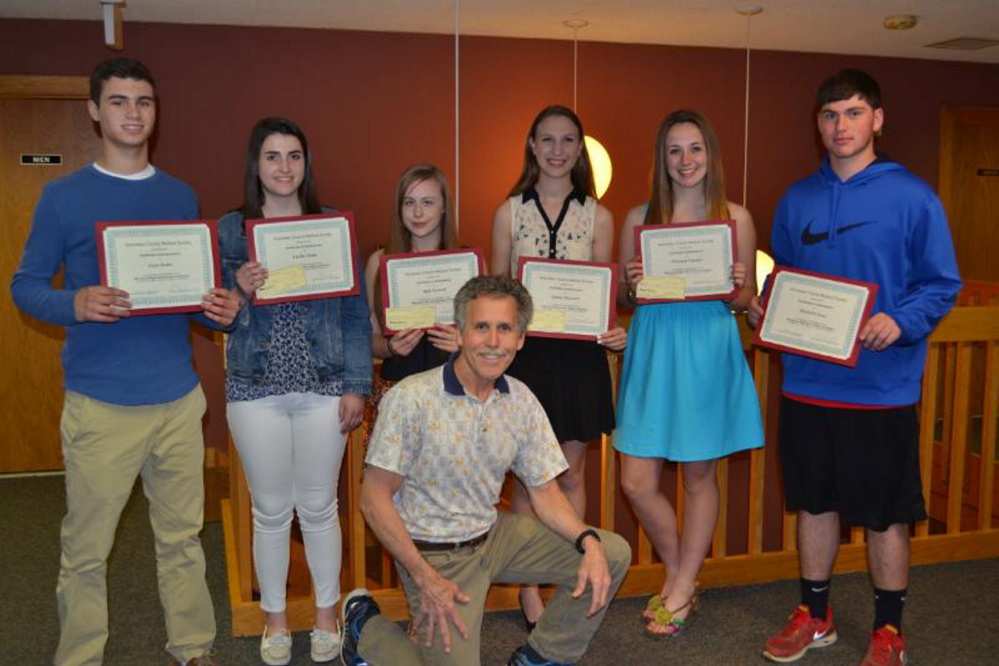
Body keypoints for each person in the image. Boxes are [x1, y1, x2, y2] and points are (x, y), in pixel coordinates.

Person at [10, 58, 239, 666]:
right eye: (118, 101)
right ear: (95, 111)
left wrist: (215, 305)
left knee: (182, 540)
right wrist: (75, 302)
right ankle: (80, 656)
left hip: (176, 400)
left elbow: (187, 301)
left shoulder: (179, 195)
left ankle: (192, 647)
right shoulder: (63, 197)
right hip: (101, 406)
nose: (133, 112)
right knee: (86, 550)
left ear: (154, 112)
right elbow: (24, 286)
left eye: (143, 101)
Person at [749, 69, 961, 665]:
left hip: (881, 388)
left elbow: (940, 283)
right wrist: (768, 308)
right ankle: (815, 616)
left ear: (878, 118)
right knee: (812, 505)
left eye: (853, 112)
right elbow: (786, 279)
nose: (841, 126)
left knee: (885, 514)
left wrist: (902, 321)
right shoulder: (798, 199)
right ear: (817, 124)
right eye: (830, 115)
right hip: (809, 384)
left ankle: (889, 631)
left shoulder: (915, 197)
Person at [339, 275, 631, 666]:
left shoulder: (521, 400)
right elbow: (373, 499)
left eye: (505, 328)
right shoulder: (412, 398)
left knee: (611, 552)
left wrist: (587, 541)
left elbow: (545, 494)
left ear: (520, 338)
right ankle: (365, 630)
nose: (493, 341)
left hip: (493, 536)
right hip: (432, 555)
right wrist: (424, 578)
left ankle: (541, 658)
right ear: (459, 333)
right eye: (481, 327)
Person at [218, 117, 372, 665]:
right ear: (255, 165)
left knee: (319, 506)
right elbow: (212, 316)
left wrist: (358, 384)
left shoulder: (333, 227)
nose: (284, 167)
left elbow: (356, 314)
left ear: (306, 165)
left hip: (325, 385)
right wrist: (238, 288)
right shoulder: (231, 230)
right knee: (270, 510)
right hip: (255, 388)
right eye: (272, 156)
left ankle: (326, 615)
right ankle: (276, 620)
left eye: (294, 156)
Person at [614, 109, 764, 638]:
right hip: (654, 347)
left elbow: (742, 302)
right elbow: (625, 299)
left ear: (710, 154)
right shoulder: (638, 218)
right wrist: (631, 283)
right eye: (675, 150)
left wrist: (740, 285)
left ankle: (681, 585)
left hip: (706, 345)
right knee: (636, 480)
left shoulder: (737, 218)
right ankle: (682, 570)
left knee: (700, 476)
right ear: (663, 158)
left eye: (695, 149)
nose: (685, 161)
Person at [489, 105, 627, 627]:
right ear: (531, 144)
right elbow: (497, 291)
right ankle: (528, 588)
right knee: (527, 480)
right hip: (528, 359)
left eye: (568, 140)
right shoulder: (509, 211)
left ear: (579, 149)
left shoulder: (600, 215)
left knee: (571, 473)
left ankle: (576, 570)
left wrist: (611, 327)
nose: (556, 150)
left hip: (580, 357)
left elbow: (604, 294)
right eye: (546, 140)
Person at [363, 164, 461, 439]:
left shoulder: (467, 262)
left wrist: (465, 343)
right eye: (409, 203)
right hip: (397, 391)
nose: (418, 213)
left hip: (455, 391)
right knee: (389, 481)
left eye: (428, 203)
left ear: (443, 208)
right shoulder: (378, 262)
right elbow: (368, 339)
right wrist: (390, 347)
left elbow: (488, 336)